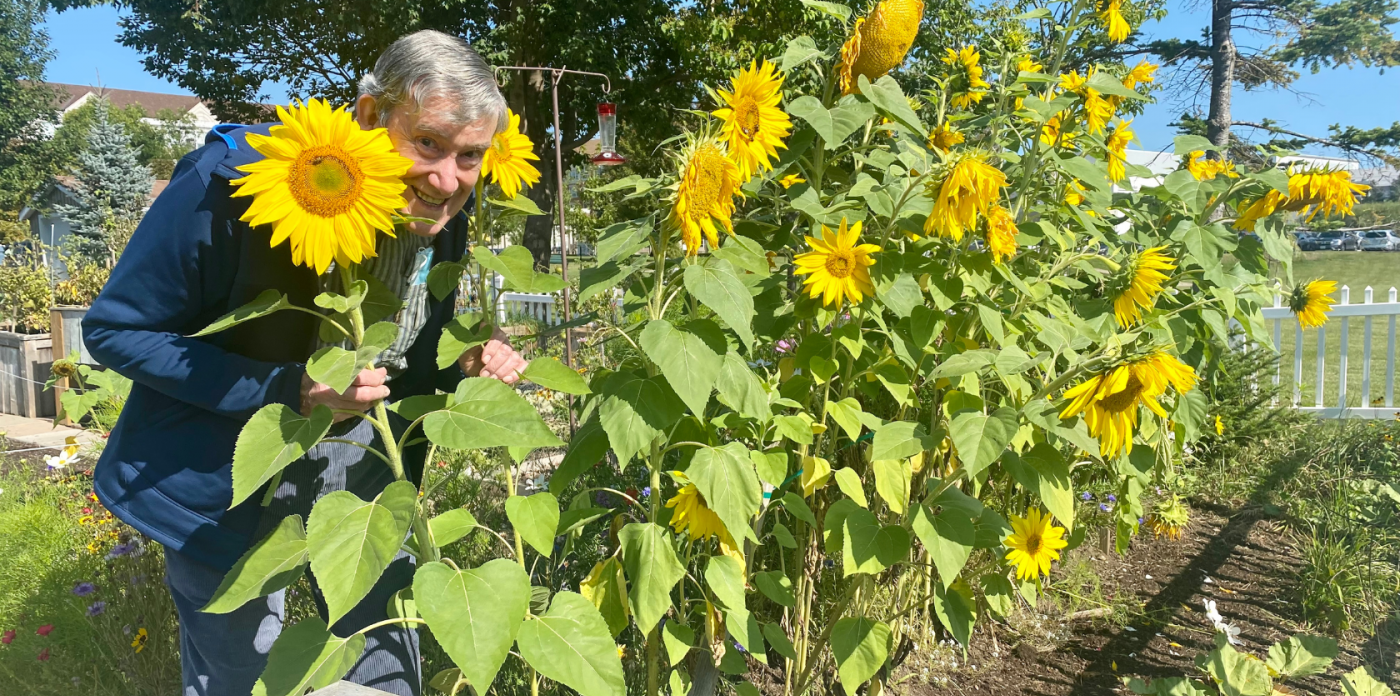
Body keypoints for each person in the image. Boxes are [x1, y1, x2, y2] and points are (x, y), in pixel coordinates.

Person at [82, 30, 524, 696]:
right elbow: (115, 329)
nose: (446, 177)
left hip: (364, 468)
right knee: (243, 678)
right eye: (428, 143)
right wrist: (286, 386)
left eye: (469, 156)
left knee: (388, 668)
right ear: (372, 116)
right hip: (224, 471)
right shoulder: (229, 186)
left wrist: (464, 365)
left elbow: (403, 352)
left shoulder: (439, 203)